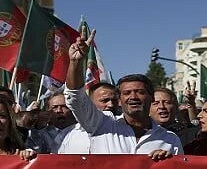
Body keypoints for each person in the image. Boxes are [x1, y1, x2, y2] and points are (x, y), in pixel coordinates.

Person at [64, 30, 182, 158]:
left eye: (140, 92)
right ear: (119, 100)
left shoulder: (170, 139)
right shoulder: (101, 124)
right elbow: (75, 98)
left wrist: (168, 163)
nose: (133, 97)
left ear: (151, 97)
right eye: (127, 93)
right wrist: (76, 62)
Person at [58, 82, 119, 154]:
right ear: (90, 102)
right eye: (104, 101)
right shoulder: (66, 135)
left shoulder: (126, 130)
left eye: (114, 100)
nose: (110, 105)